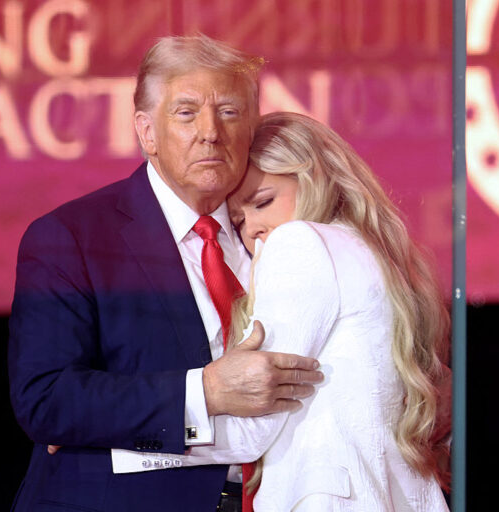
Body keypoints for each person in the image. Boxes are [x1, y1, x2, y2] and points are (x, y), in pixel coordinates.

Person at [7, 37, 324, 511]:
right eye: (186, 112)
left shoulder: (279, 228)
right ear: (146, 131)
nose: (211, 132)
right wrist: (205, 393)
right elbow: (47, 398)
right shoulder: (72, 237)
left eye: (230, 112)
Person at [124, 112, 451, 511]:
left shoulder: (300, 242)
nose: (254, 229)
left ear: (315, 177)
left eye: (263, 202)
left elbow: (252, 426)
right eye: (239, 219)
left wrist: (115, 441)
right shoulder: (375, 256)